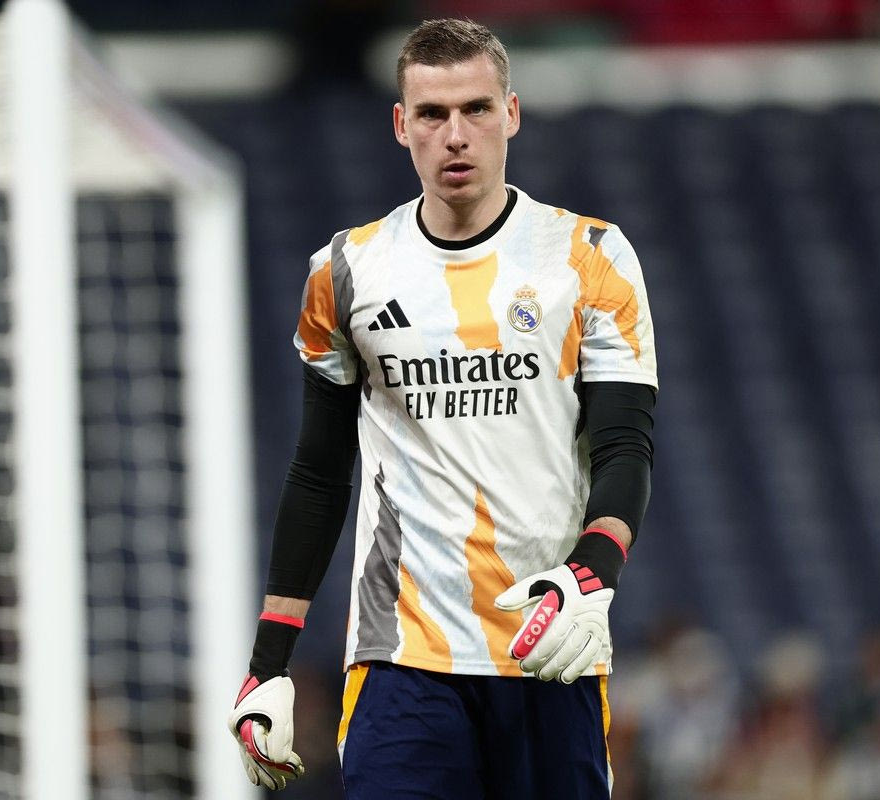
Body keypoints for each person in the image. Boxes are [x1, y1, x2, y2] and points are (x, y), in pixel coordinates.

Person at [227, 18, 658, 798]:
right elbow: (319, 473)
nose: (455, 134)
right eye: (432, 114)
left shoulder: (592, 258)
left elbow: (626, 445)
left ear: (511, 113)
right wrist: (269, 664)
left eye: (476, 109)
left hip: (548, 642)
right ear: (402, 125)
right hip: (402, 662)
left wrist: (593, 574)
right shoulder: (345, 272)